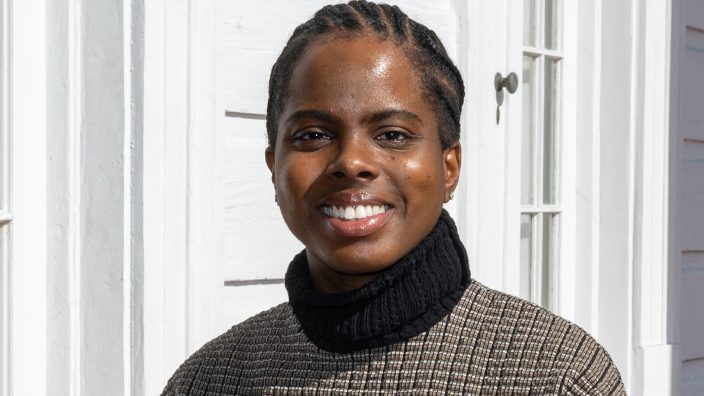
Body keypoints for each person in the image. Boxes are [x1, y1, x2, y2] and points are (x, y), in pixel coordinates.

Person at [162, 1, 626, 394]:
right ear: (273, 168)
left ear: (449, 168)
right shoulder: (209, 381)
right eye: (314, 134)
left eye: (392, 134)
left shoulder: (555, 377)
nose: (351, 161)